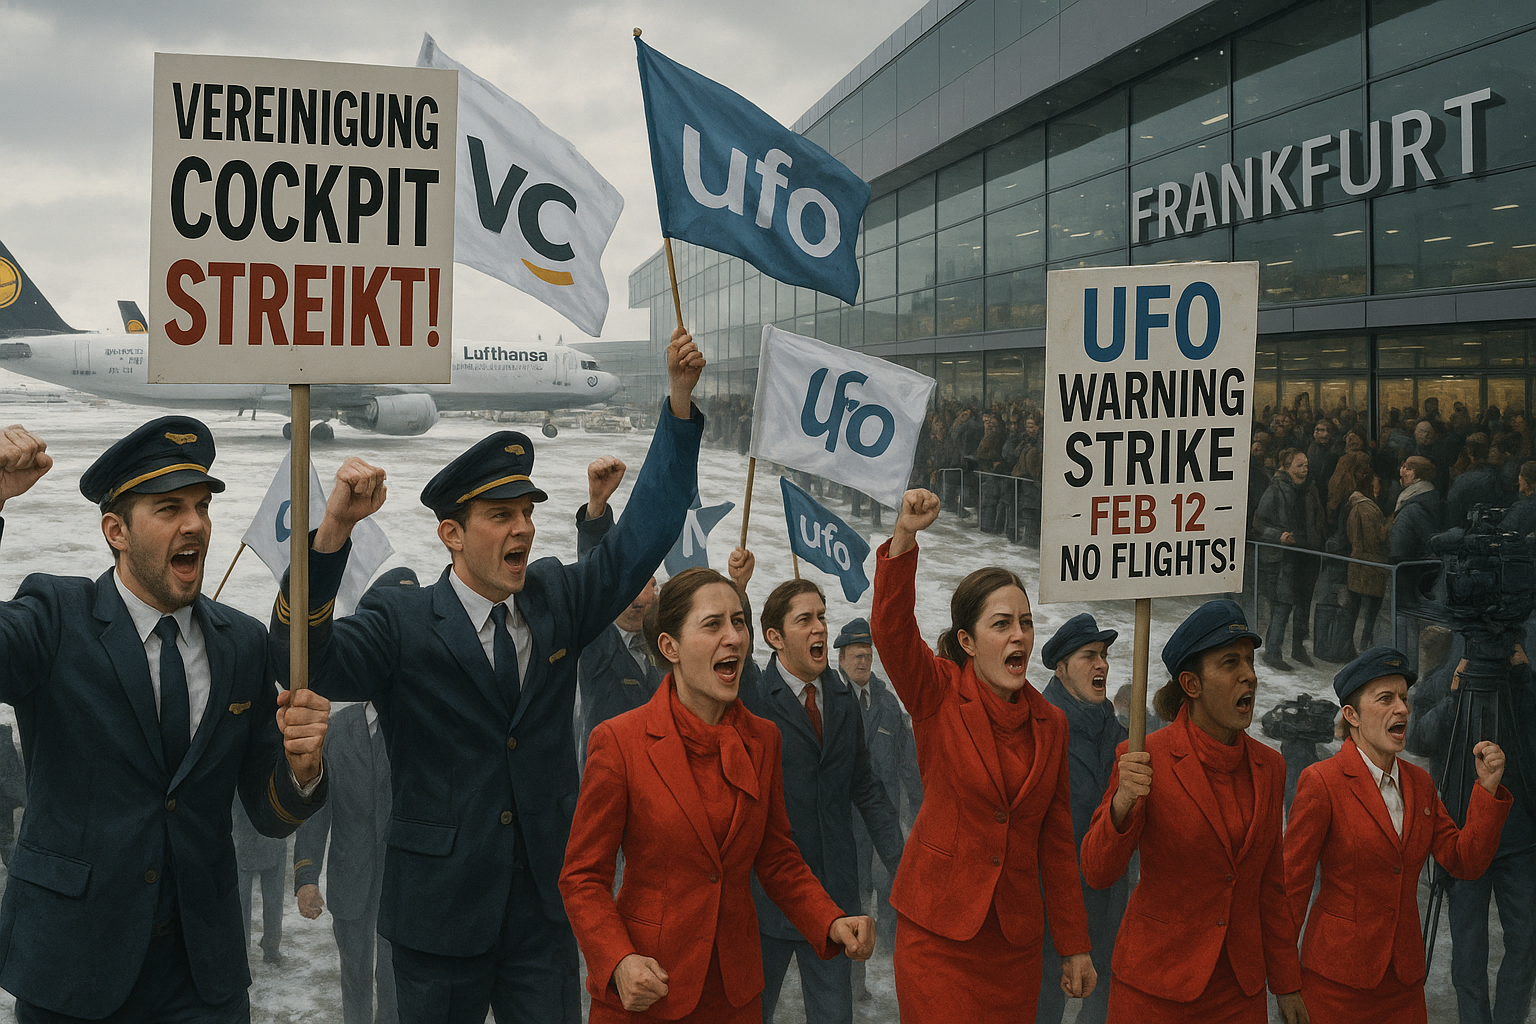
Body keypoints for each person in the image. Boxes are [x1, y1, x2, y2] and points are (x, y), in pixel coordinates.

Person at [273, 327, 706, 1024]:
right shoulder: (403, 620)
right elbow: (308, 657)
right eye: (500, 517)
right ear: (452, 534)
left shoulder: (557, 598)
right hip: (437, 921)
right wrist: (331, 534)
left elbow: (644, 535)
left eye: (528, 515)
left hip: (542, 916)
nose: (524, 531)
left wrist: (679, 405)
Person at [0, 417, 330, 1023]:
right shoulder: (55, 615)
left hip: (201, 978)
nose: (196, 525)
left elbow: (266, 809)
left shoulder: (244, 643)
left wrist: (301, 774)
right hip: (73, 969)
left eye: (202, 506)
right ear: (115, 531)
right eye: (169, 507)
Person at [559, 568, 875, 1022]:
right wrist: (618, 960)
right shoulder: (620, 742)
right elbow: (582, 878)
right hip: (647, 988)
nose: (734, 638)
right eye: (713, 625)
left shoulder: (764, 740)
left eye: (739, 622)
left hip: (735, 995)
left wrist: (829, 919)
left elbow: (777, 857)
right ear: (670, 647)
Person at [871, 489, 1096, 1022]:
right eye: (1001, 624)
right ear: (968, 642)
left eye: (1024, 622)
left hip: (1012, 947)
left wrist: (1074, 944)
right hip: (937, 936)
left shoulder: (1052, 724)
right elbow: (892, 631)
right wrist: (904, 538)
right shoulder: (938, 693)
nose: (1018, 635)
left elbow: (1057, 843)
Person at [1079, 600, 1306, 1024]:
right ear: (1192, 684)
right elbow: (1096, 870)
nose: (1250, 675)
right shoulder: (1144, 758)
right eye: (1230, 662)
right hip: (1156, 989)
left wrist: (1287, 983)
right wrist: (1122, 802)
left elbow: (1270, 888)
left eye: (1250, 661)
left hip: (1239, 993)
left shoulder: (1270, 767)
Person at [1286, 648, 1511, 1024]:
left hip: (1403, 985)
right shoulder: (1321, 782)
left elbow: (1464, 861)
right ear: (1352, 715)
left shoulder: (1420, 784)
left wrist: (1486, 791)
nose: (1403, 710)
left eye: (1404, 699)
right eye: (1386, 699)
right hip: (1335, 986)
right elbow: (1291, 887)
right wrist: (1285, 980)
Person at [739, 579, 903, 1024]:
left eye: (822, 616)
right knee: (749, 1013)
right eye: (805, 619)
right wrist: (738, 590)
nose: (820, 629)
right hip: (766, 897)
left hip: (834, 897)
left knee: (834, 1015)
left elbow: (866, 787)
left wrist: (901, 866)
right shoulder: (750, 697)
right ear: (774, 637)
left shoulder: (844, 696)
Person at [292, 569, 413, 1024]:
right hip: (351, 886)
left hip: (408, 885)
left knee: (398, 985)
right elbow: (316, 809)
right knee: (356, 981)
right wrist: (306, 876)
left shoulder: (427, 724)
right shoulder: (337, 733)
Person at [1407, 646, 1536, 1024]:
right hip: (1462, 836)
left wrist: (1524, 683)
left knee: (1526, 943)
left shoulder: (1523, 681)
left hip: (1521, 839)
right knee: (1467, 951)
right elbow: (1418, 739)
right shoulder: (1446, 676)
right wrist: (1454, 693)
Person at [1036, 613, 1128, 1024]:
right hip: (1046, 905)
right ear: (1061, 669)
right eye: (1089, 656)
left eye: (1104, 655)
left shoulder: (1122, 732)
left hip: (1106, 903)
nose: (1102, 665)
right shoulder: (1036, 725)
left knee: (1102, 1008)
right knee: (1042, 1008)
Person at [833, 617, 922, 1002]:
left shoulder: (887, 704)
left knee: (888, 896)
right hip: (841, 823)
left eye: (868, 656)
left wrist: (920, 813)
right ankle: (849, 984)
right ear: (840, 658)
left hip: (882, 824)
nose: (863, 662)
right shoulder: (827, 698)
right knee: (848, 901)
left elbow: (909, 766)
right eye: (856, 656)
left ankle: (893, 973)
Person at [574, 460, 662, 764]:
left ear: (656, 587)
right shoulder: (593, 640)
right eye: (627, 590)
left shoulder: (669, 644)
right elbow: (595, 574)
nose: (636, 601)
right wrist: (597, 506)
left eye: (644, 587)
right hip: (607, 777)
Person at [1253, 449, 1325, 671]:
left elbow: (1317, 519)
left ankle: (1298, 647)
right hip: (1283, 557)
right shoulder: (1275, 491)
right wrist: (1279, 536)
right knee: (1282, 605)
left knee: (1303, 604)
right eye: (1300, 465)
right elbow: (1258, 523)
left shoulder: (1310, 489)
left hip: (1307, 554)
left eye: (1306, 465)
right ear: (1286, 467)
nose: (1305, 469)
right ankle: (1273, 652)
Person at [233, 798, 287, 964]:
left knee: (241, 903)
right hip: (271, 838)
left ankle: (242, 953)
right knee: (273, 899)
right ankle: (271, 948)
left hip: (243, 840)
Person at [0, 722, 24, 868]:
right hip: (4, 798)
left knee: (6, 839)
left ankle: (14, 867)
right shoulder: (3, 736)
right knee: (6, 840)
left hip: (3, 799)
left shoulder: (3, 737)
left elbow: (11, 768)